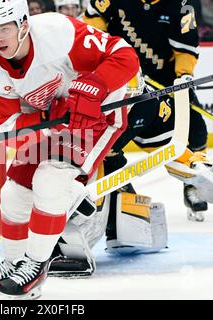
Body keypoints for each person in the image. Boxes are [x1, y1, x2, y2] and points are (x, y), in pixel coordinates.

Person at [0, 0, 139, 299]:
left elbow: (124, 55)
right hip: (54, 124)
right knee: (13, 193)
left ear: (23, 24)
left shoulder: (58, 32)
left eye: (4, 28)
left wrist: (95, 85)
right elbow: (8, 123)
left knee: (50, 180)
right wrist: (46, 120)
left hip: (97, 118)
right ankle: (14, 262)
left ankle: (36, 265)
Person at [49, 73, 213, 277]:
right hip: (74, 158)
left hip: (107, 158)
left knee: (128, 233)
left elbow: (170, 148)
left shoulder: (149, 103)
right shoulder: (75, 96)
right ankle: (60, 244)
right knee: (76, 203)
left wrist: (196, 169)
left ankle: (78, 241)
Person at [82, 0, 209, 221]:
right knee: (112, 141)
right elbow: (93, 22)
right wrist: (98, 56)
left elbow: (186, 45)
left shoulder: (180, 4)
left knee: (196, 127)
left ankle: (192, 184)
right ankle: (117, 207)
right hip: (121, 80)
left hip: (165, 79)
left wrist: (184, 75)